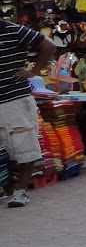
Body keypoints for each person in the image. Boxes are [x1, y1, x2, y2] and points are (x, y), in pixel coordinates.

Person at [0, 16, 53, 206]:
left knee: (24, 145)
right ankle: (8, 187)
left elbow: (48, 45)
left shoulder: (14, 30)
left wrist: (35, 71)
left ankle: (21, 190)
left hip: (14, 98)